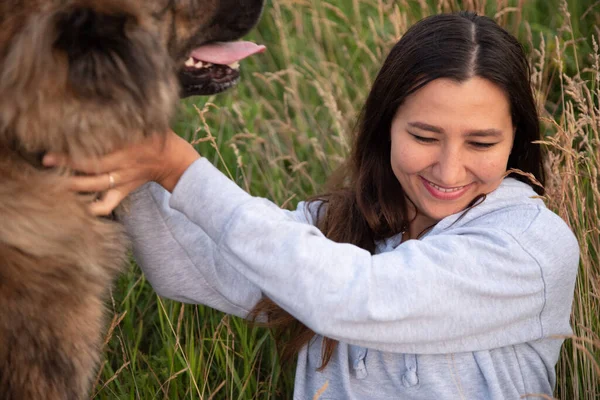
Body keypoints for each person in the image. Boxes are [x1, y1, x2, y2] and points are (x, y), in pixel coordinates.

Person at [44, 11, 580, 400]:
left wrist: (179, 167)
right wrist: (127, 157)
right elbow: (194, 267)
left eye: (481, 143)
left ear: (517, 140)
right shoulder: (342, 228)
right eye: (424, 135)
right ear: (385, 127)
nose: (448, 168)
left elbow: (356, 295)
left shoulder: (529, 246)